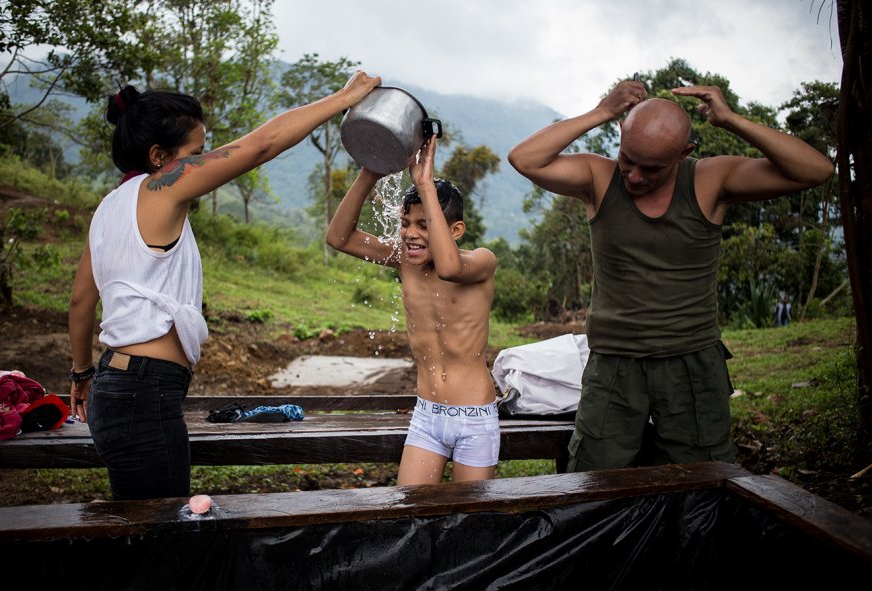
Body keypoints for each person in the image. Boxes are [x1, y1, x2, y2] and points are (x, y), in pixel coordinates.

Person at [69, 71, 381, 500]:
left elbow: (80, 301)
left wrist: (82, 373)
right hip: (142, 392)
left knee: (142, 524)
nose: (206, 161)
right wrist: (343, 98)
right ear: (160, 156)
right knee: (164, 533)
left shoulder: (108, 209)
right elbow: (260, 145)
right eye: (197, 153)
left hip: (115, 386)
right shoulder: (162, 189)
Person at [507, 78, 834, 472]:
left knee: (701, 477)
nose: (635, 177)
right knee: (595, 475)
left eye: (652, 168)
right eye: (628, 160)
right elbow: (524, 159)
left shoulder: (710, 181)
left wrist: (731, 120)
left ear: (685, 153)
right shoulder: (598, 177)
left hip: (692, 362)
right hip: (615, 364)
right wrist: (603, 112)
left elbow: (816, 170)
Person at [326, 136, 500, 485]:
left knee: (471, 519)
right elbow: (339, 238)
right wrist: (368, 173)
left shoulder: (480, 262)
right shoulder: (404, 262)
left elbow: (449, 267)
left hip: (474, 417)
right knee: (412, 514)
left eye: (424, 225)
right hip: (427, 415)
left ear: (456, 230)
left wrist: (424, 183)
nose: (410, 234)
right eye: (406, 223)